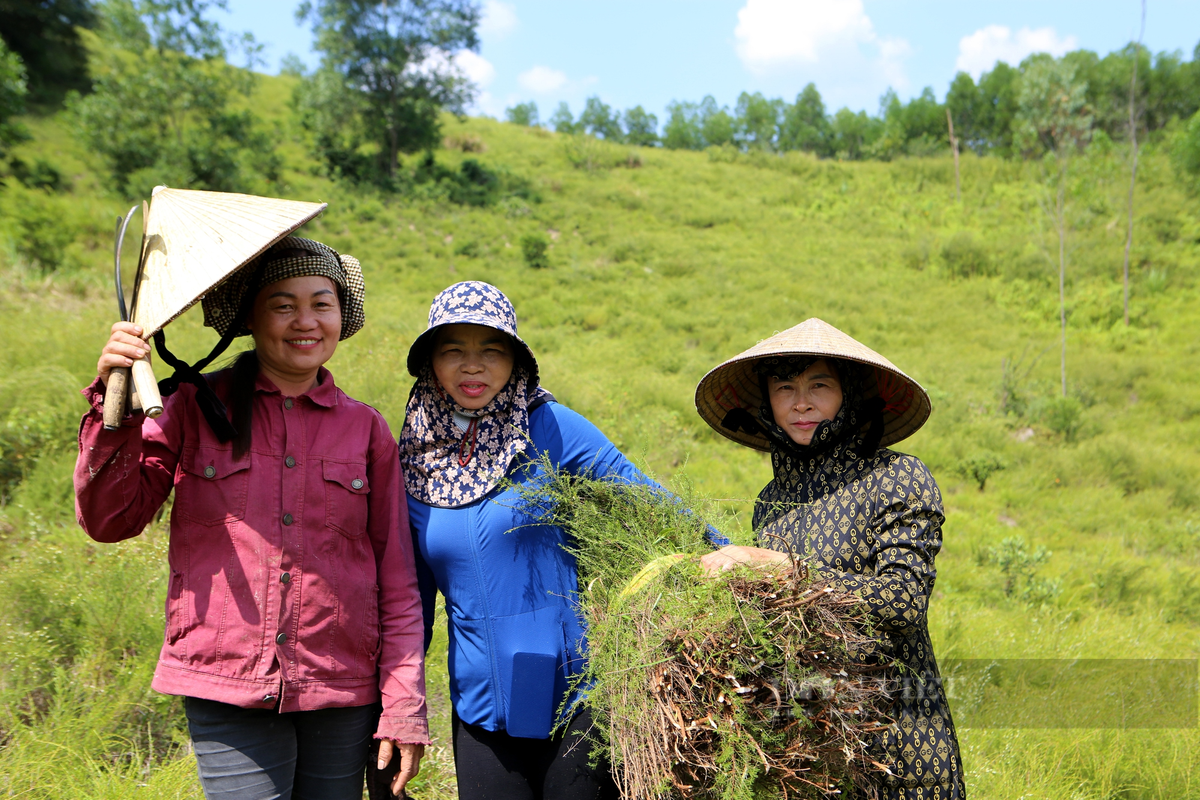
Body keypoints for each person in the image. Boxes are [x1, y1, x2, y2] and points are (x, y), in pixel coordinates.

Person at [74, 236, 428, 800]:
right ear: (251, 318)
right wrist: (113, 399)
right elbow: (110, 519)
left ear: (342, 315)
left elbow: (397, 580)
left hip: (341, 686)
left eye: (322, 303)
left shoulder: (366, 431)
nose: (305, 321)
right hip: (226, 679)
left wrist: (404, 702)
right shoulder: (189, 408)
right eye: (283, 305)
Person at [399, 281, 662, 800]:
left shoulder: (549, 428)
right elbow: (411, 602)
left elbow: (647, 499)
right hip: (480, 710)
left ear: (516, 360)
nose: (472, 366)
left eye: (491, 350)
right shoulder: (413, 455)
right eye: (453, 350)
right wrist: (399, 706)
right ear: (431, 361)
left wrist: (731, 555)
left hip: (576, 700)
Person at [694, 317, 966, 800]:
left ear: (850, 394)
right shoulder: (770, 501)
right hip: (807, 752)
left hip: (898, 742)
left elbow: (901, 603)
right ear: (767, 402)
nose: (801, 403)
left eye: (819, 385)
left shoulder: (896, 478)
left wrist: (783, 568)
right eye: (785, 388)